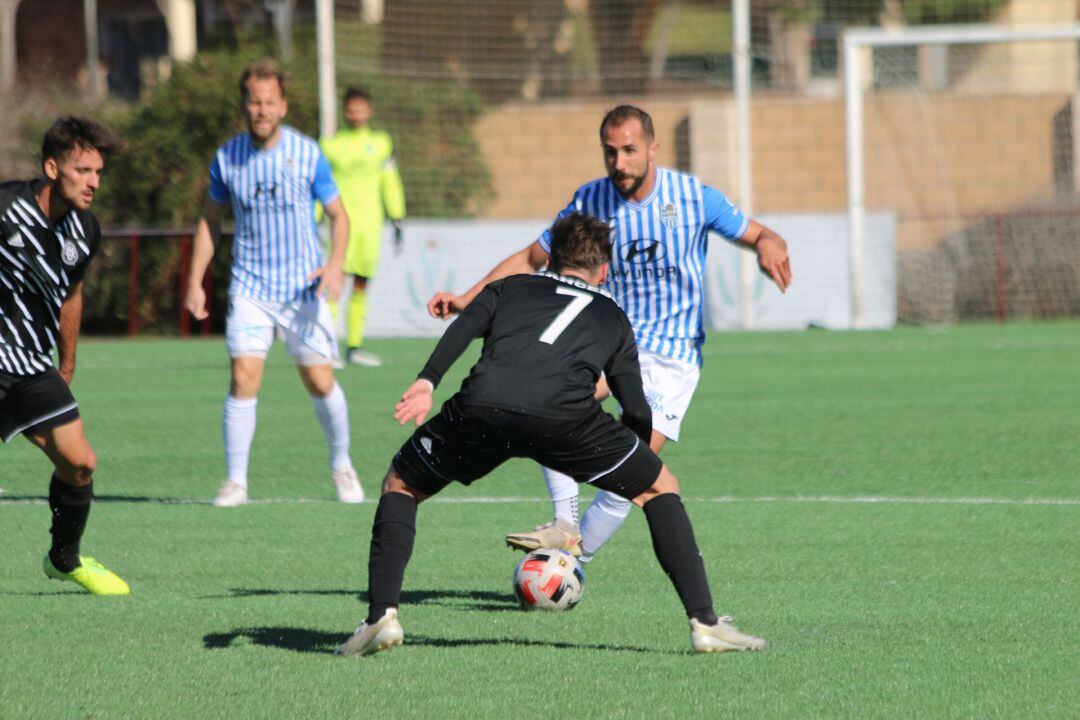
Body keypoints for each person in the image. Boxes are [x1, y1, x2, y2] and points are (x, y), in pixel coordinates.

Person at [337, 213, 765, 656]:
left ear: (552, 259)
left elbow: (463, 327)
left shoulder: (511, 286)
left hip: (484, 407)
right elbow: (635, 406)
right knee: (661, 488)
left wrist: (428, 380)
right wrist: (633, 458)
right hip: (566, 421)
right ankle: (705, 624)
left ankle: (381, 618)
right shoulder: (613, 316)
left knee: (401, 485)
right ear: (604, 269)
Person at [428, 105, 792, 562]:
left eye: (629, 150)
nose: (619, 162)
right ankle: (564, 523)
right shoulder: (589, 200)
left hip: (669, 355)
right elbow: (530, 259)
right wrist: (468, 297)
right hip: (606, 340)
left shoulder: (695, 198)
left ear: (653, 149)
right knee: (546, 399)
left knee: (633, 471)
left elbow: (759, 234)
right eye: (610, 152)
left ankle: (570, 566)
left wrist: (770, 243)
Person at [184, 59, 363, 507]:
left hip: (304, 288)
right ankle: (235, 482)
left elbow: (340, 217)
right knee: (243, 377)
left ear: (282, 106)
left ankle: (342, 467)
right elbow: (210, 221)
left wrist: (336, 264)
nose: (261, 110)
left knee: (320, 381)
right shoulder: (228, 158)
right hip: (250, 288)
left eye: (269, 102)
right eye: (253, 102)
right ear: (243, 105)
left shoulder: (307, 154)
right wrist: (195, 280)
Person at [0, 116, 129, 595]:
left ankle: (64, 559)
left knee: (80, 464)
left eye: (98, 172)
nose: (94, 182)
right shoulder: (6, 206)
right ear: (52, 168)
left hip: (31, 364)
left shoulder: (85, 230)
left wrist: (67, 362)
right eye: (83, 171)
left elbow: (72, 295)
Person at [319, 87, 406, 368]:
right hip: (342, 222)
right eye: (352, 109)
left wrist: (397, 214)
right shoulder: (331, 145)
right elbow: (321, 184)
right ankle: (327, 346)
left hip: (371, 224)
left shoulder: (381, 143)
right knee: (335, 281)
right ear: (345, 111)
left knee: (361, 283)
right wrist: (315, 214)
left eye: (361, 108)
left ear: (369, 111)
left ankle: (354, 346)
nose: (356, 114)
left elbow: (389, 180)